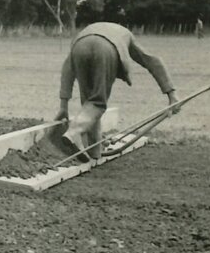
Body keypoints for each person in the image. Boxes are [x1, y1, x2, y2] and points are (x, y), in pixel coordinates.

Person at [54, 22, 180, 160]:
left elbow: (67, 70)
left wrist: (63, 106)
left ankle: (94, 151)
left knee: (89, 103)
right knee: (97, 103)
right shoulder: (125, 34)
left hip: (78, 47)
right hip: (106, 49)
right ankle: (74, 133)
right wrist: (171, 94)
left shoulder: (86, 31)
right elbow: (151, 60)